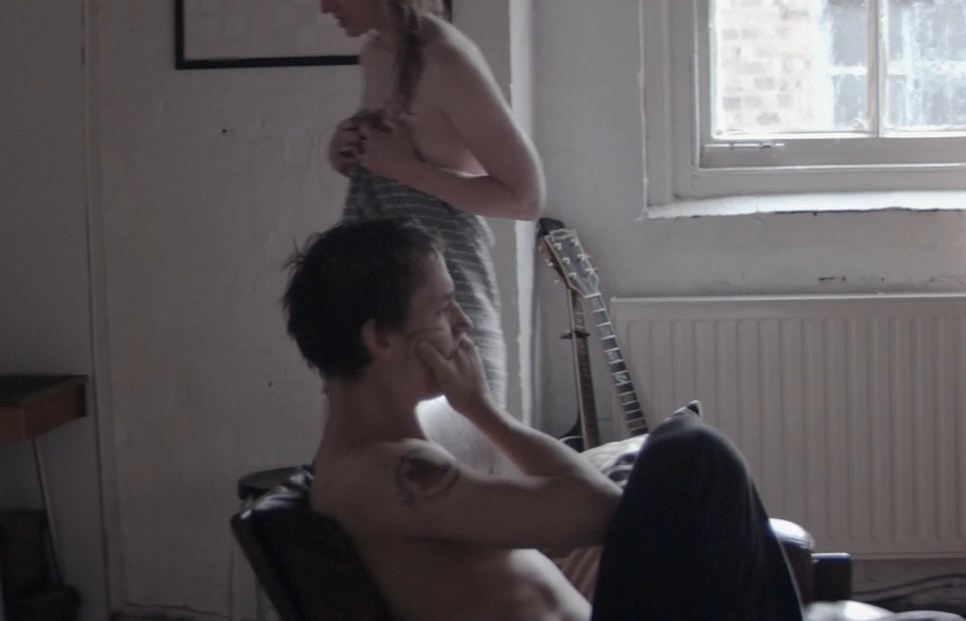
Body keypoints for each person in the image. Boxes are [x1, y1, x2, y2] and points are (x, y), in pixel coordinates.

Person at [283, 218, 805, 621]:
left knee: (690, 456)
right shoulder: (386, 474)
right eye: (444, 308)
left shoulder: (386, 460)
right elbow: (599, 511)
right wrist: (484, 411)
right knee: (689, 452)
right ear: (381, 338)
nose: (463, 324)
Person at [303, 0, 543, 472]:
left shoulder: (444, 57)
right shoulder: (375, 55)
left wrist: (402, 167)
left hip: (445, 314)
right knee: (378, 495)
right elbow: (390, 176)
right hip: (376, 316)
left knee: (453, 494)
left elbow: (525, 196)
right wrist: (345, 150)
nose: (324, 4)